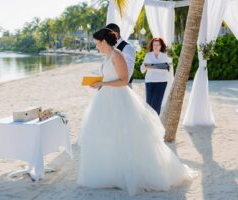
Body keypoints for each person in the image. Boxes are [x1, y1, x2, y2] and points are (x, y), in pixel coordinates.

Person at [77, 28, 196, 196]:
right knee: (105, 135)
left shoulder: (117, 55)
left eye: (97, 43)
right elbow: (111, 77)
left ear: (104, 42)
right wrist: (99, 82)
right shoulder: (108, 56)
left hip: (119, 99)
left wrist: (103, 84)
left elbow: (124, 81)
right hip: (105, 99)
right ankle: (113, 173)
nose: (97, 47)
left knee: (126, 137)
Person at [140, 38, 169, 115]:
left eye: (158, 45)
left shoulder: (164, 55)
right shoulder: (148, 55)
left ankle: (155, 123)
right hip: (149, 81)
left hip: (161, 82)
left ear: (161, 46)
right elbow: (142, 69)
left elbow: (165, 68)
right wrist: (157, 66)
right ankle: (150, 123)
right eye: (154, 45)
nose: (156, 46)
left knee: (156, 104)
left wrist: (150, 66)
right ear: (152, 45)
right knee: (149, 104)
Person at [106, 23, 136, 88]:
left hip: (123, 87)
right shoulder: (110, 46)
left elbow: (129, 71)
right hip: (111, 85)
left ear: (115, 34)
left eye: (107, 35)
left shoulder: (128, 48)